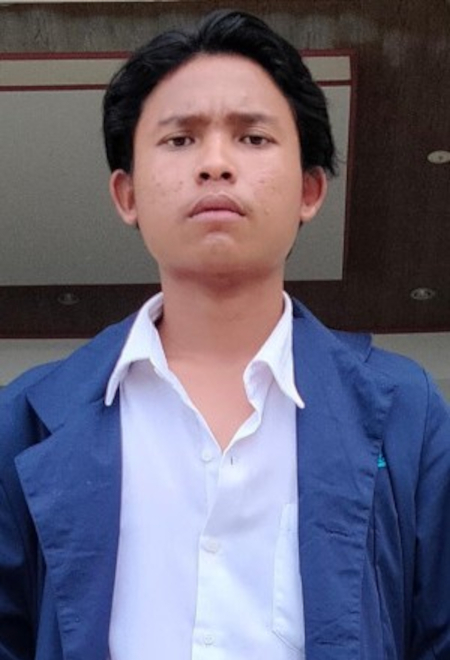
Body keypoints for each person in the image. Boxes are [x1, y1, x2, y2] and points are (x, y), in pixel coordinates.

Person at [0, 9, 449, 660]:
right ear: (127, 194)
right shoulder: (26, 421)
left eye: (253, 138)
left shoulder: (408, 412)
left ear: (310, 189)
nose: (214, 163)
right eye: (180, 139)